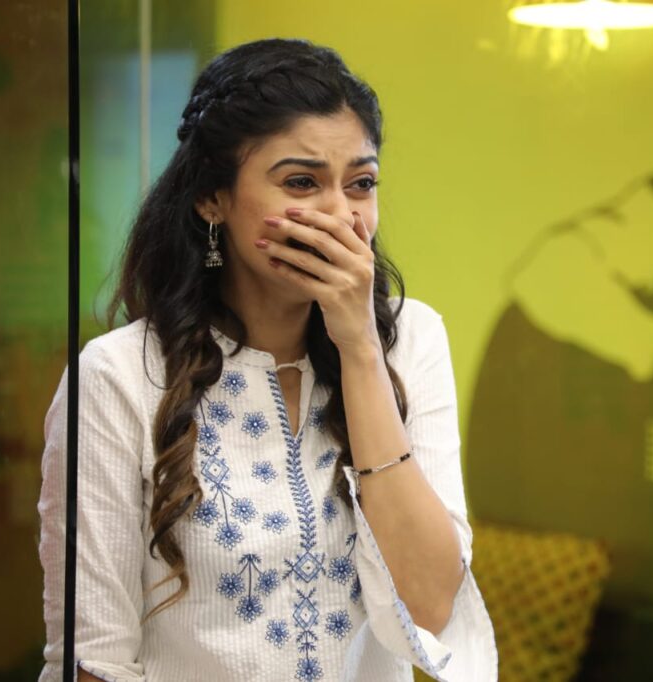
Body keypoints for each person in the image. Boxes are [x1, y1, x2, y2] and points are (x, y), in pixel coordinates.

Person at [37, 37, 497, 681]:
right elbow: (94, 661)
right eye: (301, 182)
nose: (340, 216)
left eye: (361, 184)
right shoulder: (118, 377)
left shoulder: (409, 340)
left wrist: (361, 350)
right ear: (212, 197)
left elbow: (428, 606)